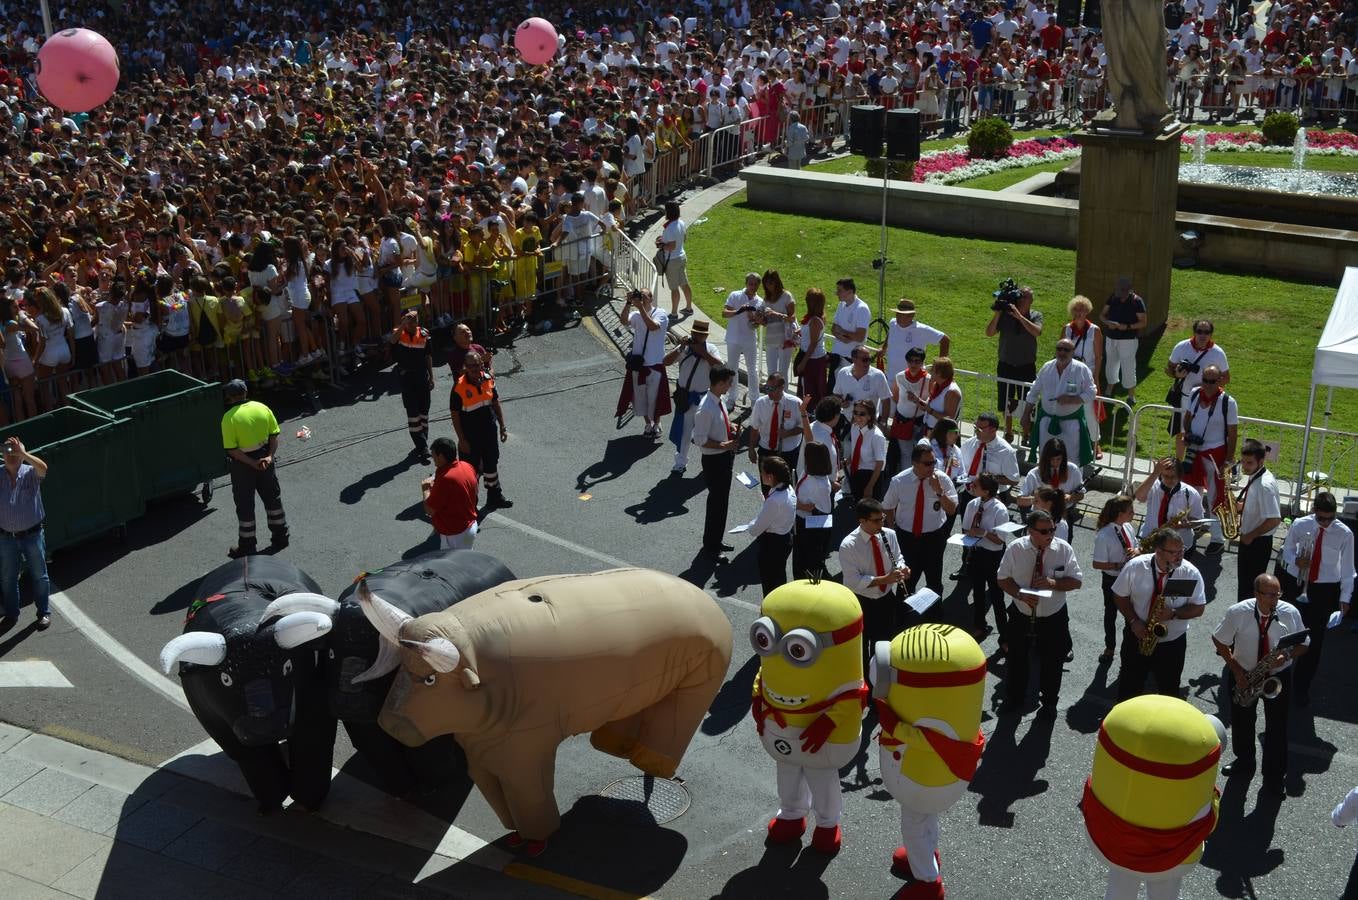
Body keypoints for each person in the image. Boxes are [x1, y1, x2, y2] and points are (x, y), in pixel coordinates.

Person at [1213, 573, 1308, 798]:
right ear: (1256, 594)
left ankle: (1274, 778)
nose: (1275, 599)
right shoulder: (1238, 612)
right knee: (1242, 722)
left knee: (1277, 727)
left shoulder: (1289, 612)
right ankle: (1244, 763)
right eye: (1270, 595)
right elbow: (1219, 640)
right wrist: (1236, 671)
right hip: (1244, 674)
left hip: (1277, 676)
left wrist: (1286, 657)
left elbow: (1304, 644)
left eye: (1278, 594)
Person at [997, 509, 1083, 717]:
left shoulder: (1063, 549)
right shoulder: (1015, 549)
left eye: (1052, 529)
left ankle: (1049, 704)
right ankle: (1014, 699)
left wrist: (1053, 583)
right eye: (1044, 531)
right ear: (1030, 531)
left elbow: (1076, 581)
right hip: (1022, 614)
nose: (1050, 535)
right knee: (1017, 659)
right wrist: (1019, 594)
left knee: (1053, 662)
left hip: (1053, 616)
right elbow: (1002, 579)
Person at [1111, 528, 1207, 700]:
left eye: (1182, 550)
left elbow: (1199, 608)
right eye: (1174, 552)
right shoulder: (1136, 566)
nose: (1180, 556)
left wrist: (1173, 614)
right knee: (1129, 687)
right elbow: (1119, 595)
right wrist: (1133, 621)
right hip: (1138, 634)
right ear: (1158, 551)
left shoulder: (1190, 572)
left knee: (1168, 691)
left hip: (1171, 643)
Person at [1280, 492, 1354, 707]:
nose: (1326, 523)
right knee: (1287, 634)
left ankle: (1302, 687)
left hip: (1324, 590)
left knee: (1314, 642)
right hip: (1298, 584)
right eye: (1321, 518)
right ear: (1314, 512)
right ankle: (1280, 677)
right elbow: (1286, 551)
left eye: (1330, 518)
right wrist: (1296, 560)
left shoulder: (1345, 534)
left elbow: (1349, 570)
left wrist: (1345, 598)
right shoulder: (1301, 525)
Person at [838, 498, 910, 671]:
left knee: (883, 645)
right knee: (862, 646)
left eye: (882, 518)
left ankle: (880, 678)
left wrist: (903, 568)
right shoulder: (849, 546)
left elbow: (898, 557)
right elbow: (852, 582)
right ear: (862, 521)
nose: (881, 523)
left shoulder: (889, 534)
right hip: (862, 602)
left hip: (886, 599)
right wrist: (885, 579)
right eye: (876, 520)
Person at [221, 379, 288, 559]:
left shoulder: (229, 418)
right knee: (273, 499)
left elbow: (232, 450)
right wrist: (269, 457)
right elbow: (274, 436)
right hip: (266, 459)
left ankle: (247, 546)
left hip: (243, 465)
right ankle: (281, 536)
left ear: (229, 397)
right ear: (245, 392)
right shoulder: (262, 408)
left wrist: (251, 463)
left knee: (245, 505)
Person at [883, 441, 958, 600]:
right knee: (907, 580)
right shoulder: (899, 481)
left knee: (934, 580)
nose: (932, 466)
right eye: (927, 463)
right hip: (907, 537)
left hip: (933, 537)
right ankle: (902, 616)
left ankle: (934, 614)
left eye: (934, 462)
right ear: (915, 463)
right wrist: (892, 528)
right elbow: (888, 506)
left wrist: (939, 492)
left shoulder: (942, 480)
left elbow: (951, 510)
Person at [1176, 364, 1238, 552]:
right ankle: (1193, 529)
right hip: (1195, 451)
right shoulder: (1195, 393)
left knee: (1215, 497)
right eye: (1205, 380)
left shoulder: (1228, 402)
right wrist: (1187, 434)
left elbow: (1233, 434)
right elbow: (1187, 417)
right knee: (1191, 493)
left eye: (1212, 381)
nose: (1208, 385)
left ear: (1220, 381)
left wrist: (1228, 460)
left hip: (1215, 453)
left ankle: (1217, 539)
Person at [450, 350, 512, 509]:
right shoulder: (458, 387)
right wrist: (462, 440)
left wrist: (502, 427)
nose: (475, 369)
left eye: (477, 365)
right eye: (471, 366)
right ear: (465, 367)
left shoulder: (488, 379)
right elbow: (455, 416)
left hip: (489, 433)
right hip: (470, 438)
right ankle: (471, 505)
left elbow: (496, 403)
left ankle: (494, 497)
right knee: (471, 472)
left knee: (491, 465)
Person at [0, 437, 50, 634]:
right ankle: (12, 614)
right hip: (6, 537)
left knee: (39, 575)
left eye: (14, 452)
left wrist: (22, 454)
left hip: (32, 534)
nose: (11, 455)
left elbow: (43, 468)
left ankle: (44, 612)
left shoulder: (30, 472)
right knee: (7, 578)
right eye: (7, 451)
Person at [1021, 338, 1096, 467]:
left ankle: (1070, 486)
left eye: (1066, 350)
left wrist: (1072, 400)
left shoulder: (1081, 369)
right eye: (1059, 349)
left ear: (1073, 352)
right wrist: (1026, 414)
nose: (1062, 352)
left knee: (1071, 461)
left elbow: (1091, 392)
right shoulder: (1047, 367)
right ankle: (1046, 486)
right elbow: (1034, 392)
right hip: (1047, 423)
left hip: (1071, 425)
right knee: (1046, 457)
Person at [985, 284, 1044, 442]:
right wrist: (998, 313)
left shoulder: (1036, 315)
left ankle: (1026, 433)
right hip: (1006, 364)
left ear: (1031, 300)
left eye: (1025, 296)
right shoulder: (1006, 315)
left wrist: (1019, 317)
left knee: (1027, 400)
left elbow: (1037, 331)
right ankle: (1008, 431)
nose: (1021, 298)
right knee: (1006, 400)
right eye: (1020, 295)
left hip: (1026, 366)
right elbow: (989, 332)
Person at [694, 366, 740, 558]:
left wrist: (730, 425)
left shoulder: (717, 401)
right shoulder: (705, 409)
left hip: (723, 457)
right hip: (715, 461)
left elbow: (717, 424)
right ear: (720, 383)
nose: (730, 386)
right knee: (716, 504)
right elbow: (700, 440)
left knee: (721, 503)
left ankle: (716, 541)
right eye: (729, 383)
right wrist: (725, 445)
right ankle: (711, 547)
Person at [666, 320, 722, 474]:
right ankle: (680, 462)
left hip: (704, 400)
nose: (697, 336)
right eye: (695, 333)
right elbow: (666, 362)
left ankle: (713, 461)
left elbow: (720, 367)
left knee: (709, 433)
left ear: (705, 336)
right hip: (685, 398)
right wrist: (681, 348)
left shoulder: (711, 349)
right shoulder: (684, 348)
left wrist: (703, 352)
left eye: (700, 335)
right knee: (684, 433)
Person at [616, 288, 671, 439]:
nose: (642, 299)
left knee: (656, 397)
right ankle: (648, 424)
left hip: (655, 363)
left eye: (644, 296)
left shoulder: (661, 314)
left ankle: (657, 423)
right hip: (638, 364)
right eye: (640, 296)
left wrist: (640, 307)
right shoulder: (636, 314)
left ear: (651, 298)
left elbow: (653, 327)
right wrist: (628, 303)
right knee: (640, 398)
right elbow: (623, 321)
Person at [1092, 495, 1139, 662]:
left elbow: (1136, 545)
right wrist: (1117, 566)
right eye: (1130, 511)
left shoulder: (1128, 527)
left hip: (1129, 578)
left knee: (1131, 615)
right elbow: (1097, 564)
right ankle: (1110, 647)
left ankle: (1130, 648)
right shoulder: (1104, 535)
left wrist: (1137, 551)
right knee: (1110, 614)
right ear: (1120, 513)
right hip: (1112, 580)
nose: (1133, 513)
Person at [962, 473, 1009, 641]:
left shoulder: (1000, 510)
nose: (971, 487)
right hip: (976, 553)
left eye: (975, 486)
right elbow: (966, 529)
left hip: (993, 557)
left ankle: (1004, 636)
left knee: (997, 597)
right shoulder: (972, 504)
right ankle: (980, 626)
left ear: (987, 491)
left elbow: (1000, 541)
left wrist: (983, 533)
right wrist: (971, 535)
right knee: (978, 593)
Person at [1235, 439, 1282, 601]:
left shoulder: (1264, 485)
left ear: (1261, 461)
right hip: (1252, 540)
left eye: (1249, 463)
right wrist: (1242, 506)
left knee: (1249, 591)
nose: (1244, 466)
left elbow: (1275, 519)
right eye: (1243, 461)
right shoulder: (1256, 475)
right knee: (1245, 587)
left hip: (1257, 543)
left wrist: (1251, 535)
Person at [744, 455, 796, 596]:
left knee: (770, 585)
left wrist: (750, 525)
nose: (761, 475)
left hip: (772, 546)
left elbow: (755, 530)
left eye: (763, 472)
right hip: (785, 539)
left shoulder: (774, 501)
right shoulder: (788, 489)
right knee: (779, 579)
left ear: (771, 476)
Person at [1165, 318, 1230, 433]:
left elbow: (1226, 378)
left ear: (1211, 334)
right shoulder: (1181, 346)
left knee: (1204, 432)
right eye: (1199, 331)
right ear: (1194, 332)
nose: (1203, 335)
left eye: (1206, 332)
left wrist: (1210, 385)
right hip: (1186, 397)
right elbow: (1168, 368)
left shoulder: (1218, 353)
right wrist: (1176, 374)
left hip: (1208, 399)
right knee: (1182, 433)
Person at [1063, 295, 1104, 458]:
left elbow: (1099, 356)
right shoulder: (1067, 329)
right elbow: (1061, 352)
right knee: (1070, 406)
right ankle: (1070, 441)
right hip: (1072, 375)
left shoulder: (1095, 330)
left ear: (1087, 311)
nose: (1079, 312)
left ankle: (1096, 443)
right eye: (1076, 309)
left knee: (1089, 410)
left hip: (1087, 376)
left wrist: (1096, 377)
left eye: (1082, 309)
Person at [391, 310, 434, 463]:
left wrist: (431, 376)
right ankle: (423, 447)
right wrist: (403, 324)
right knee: (413, 412)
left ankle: (422, 440)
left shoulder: (424, 334)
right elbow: (392, 341)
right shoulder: (399, 332)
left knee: (424, 411)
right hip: (407, 378)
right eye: (409, 319)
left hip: (422, 376)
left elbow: (428, 356)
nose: (413, 321)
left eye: (415, 319)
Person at [1135, 456, 1205, 550]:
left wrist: (1185, 524)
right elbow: (1139, 497)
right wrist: (1155, 472)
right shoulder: (1153, 486)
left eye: (1173, 477)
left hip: (1179, 545)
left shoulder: (1191, 493)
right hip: (1151, 541)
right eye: (1165, 476)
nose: (1169, 480)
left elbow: (1198, 520)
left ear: (1180, 476)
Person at [422, 437, 479, 549]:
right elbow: (475, 490)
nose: (433, 460)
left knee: (452, 566)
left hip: (456, 535)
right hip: (470, 527)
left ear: (441, 456)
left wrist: (425, 489)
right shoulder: (466, 466)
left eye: (434, 456)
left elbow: (429, 510)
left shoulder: (446, 479)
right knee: (465, 562)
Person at [748, 373, 803, 487]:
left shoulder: (795, 403)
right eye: (766, 387)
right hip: (766, 450)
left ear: (782, 388)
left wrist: (788, 433)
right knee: (766, 487)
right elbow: (754, 427)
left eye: (771, 388)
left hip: (788, 452)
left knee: (786, 487)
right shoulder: (760, 403)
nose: (767, 391)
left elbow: (803, 427)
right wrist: (751, 448)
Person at [1100, 276, 1146, 405]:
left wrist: (1127, 327)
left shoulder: (1137, 301)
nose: (1121, 296)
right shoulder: (1113, 297)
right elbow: (1102, 315)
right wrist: (1108, 323)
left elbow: (1143, 322)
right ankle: (1109, 389)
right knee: (1111, 364)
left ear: (1130, 291)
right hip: (1111, 337)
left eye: (1123, 293)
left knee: (1128, 366)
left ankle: (1131, 396)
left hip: (1128, 340)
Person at [793, 440, 835, 579]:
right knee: (800, 561)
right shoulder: (808, 472)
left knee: (808, 565)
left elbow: (813, 508)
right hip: (803, 522)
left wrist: (793, 503)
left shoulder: (820, 484)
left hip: (812, 528)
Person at [722, 273, 764, 411]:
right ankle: (732, 397)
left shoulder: (760, 302)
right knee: (732, 369)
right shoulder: (735, 295)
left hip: (750, 340)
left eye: (755, 284)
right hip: (733, 338)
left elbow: (760, 323)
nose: (752, 287)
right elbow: (724, 313)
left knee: (752, 370)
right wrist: (740, 310)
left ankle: (754, 400)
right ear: (746, 283)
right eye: (750, 284)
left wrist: (754, 318)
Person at [882, 299, 950, 382]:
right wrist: (883, 348)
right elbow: (890, 333)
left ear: (911, 315)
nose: (898, 316)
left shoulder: (921, 330)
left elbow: (945, 340)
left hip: (913, 382)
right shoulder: (893, 323)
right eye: (897, 313)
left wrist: (940, 365)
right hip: (891, 379)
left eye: (902, 314)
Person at [1018, 438, 1084, 514]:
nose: (1055, 463)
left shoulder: (1073, 470)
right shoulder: (1034, 473)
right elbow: (1020, 500)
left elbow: (1081, 495)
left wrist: (1071, 498)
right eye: (1052, 459)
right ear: (1046, 458)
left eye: (1058, 459)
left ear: (1063, 457)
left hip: (1064, 512)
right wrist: (1038, 499)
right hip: (1040, 514)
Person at [827, 278, 870, 396]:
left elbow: (860, 336)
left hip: (851, 360)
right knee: (832, 391)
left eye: (840, 290)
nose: (837, 293)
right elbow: (834, 328)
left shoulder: (862, 309)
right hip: (837, 356)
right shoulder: (841, 305)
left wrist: (842, 332)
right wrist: (844, 336)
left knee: (848, 393)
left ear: (850, 291)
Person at [834, 346, 893, 426]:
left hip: (869, 424)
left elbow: (886, 400)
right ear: (854, 359)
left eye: (870, 359)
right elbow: (837, 394)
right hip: (847, 421)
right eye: (865, 360)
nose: (868, 363)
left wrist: (883, 422)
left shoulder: (878, 375)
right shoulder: (843, 373)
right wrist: (841, 402)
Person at [890, 347, 931, 460]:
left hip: (920, 422)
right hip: (902, 421)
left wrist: (917, 401)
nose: (913, 364)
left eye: (917, 361)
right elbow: (895, 396)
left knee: (920, 455)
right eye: (910, 360)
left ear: (922, 362)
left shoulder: (928, 379)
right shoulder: (900, 376)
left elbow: (931, 403)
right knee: (906, 454)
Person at [845, 400, 888, 501]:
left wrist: (869, 487)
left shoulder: (877, 436)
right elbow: (855, 448)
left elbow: (880, 464)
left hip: (871, 476)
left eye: (862, 414)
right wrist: (848, 460)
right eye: (855, 413)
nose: (857, 416)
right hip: (856, 473)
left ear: (870, 416)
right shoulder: (854, 427)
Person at [760, 270, 797, 386]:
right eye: (766, 282)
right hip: (771, 339)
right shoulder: (765, 299)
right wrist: (759, 319)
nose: (768, 285)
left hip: (785, 340)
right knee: (771, 372)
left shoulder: (786, 296)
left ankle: (783, 400)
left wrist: (776, 314)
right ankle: (771, 398)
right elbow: (765, 322)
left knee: (782, 373)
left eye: (771, 282)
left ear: (777, 282)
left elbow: (792, 318)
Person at [657, 202, 693, 319]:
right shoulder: (681, 223)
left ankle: (673, 313)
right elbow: (684, 238)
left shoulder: (669, 228)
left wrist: (661, 245)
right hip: (682, 257)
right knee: (684, 284)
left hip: (672, 261)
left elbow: (671, 246)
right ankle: (688, 308)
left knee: (674, 288)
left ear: (669, 212)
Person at [796, 288, 830, 405]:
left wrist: (803, 363)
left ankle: (807, 413)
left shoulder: (815, 321)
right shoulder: (815, 317)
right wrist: (801, 330)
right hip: (812, 358)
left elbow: (813, 344)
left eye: (808, 299)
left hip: (813, 360)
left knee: (809, 390)